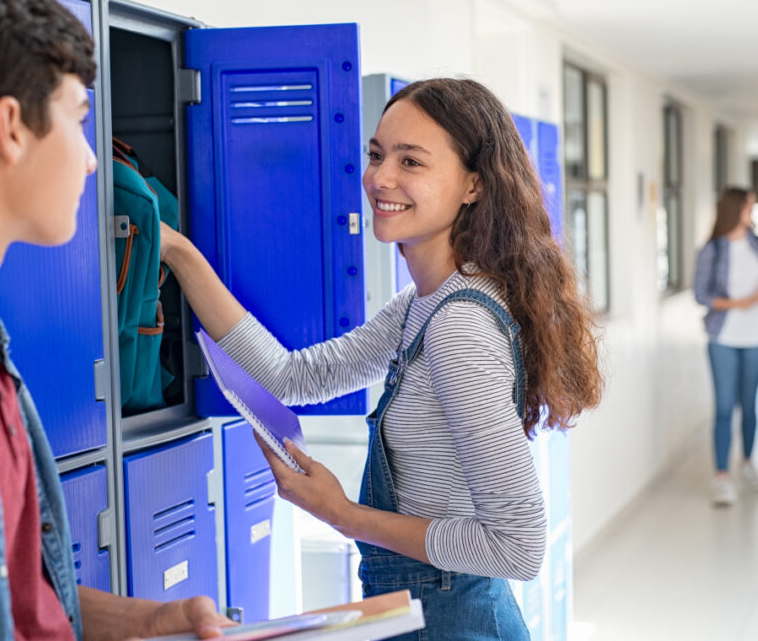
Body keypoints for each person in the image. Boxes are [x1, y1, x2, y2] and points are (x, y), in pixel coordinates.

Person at [160, 78, 603, 639]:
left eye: (411, 161)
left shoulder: (458, 327)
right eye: (376, 155)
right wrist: (177, 252)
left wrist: (341, 514)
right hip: (418, 611)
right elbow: (292, 377)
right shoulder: (421, 305)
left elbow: (518, 545)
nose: (379, 178)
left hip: (454, 621)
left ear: (473, 184)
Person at [0, 0, 230, 638]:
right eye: (79, 119)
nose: (95, 160)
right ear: (10, 127)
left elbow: (6, 593)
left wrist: (150, 620)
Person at [694, 188, 758, 507]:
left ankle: (747, 463)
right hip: (723, 338)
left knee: (750, 404)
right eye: (749, 206)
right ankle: (721, 477)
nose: (752, 211)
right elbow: (701, 295)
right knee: (723, 408)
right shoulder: (712, 250)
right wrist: (738, 302)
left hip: (757, 336)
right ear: (735, 209)